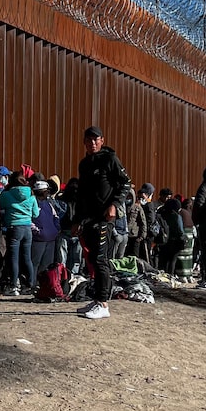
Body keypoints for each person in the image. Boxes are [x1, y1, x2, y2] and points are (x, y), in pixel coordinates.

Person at [73, 126, 131, 319]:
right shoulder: (84, 164)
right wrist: (77, 220)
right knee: (91, 260)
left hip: (105, 218)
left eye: (96, 140)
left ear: (102, 141)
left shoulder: (110, 159)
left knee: (100, 259)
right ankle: (97, 298)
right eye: (89, 140)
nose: (92, 143)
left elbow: (125, 183)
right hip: (88, 218)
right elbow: (81, 194)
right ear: (84, 142)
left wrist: (114, 204)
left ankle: (103, 304)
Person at [0, 171, 39, 296]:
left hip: (13, 227)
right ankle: (30, 284)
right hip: (27, 228)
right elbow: (36, 214)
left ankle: (13, 285)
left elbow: (0, 205)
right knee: (27, 257)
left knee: (13, 258)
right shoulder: (31, 195)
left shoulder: (7, 194)